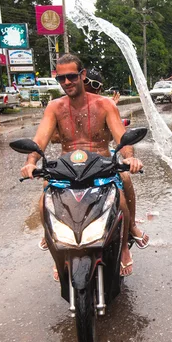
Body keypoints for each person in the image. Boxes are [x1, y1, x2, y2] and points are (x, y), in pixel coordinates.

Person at [20, 53, 144, 278]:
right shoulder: (54, 107)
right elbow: (39, 141)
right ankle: (57, 252)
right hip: (67, 169)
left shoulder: (104, 104)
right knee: (43, 201)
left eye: (71, 76)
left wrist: (128, 158)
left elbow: (121, 138)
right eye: (61, 78)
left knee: (122, 192)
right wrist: (30, 163)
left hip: (101, 165)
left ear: (82, 75)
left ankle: (125, 242)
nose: (66, 82)